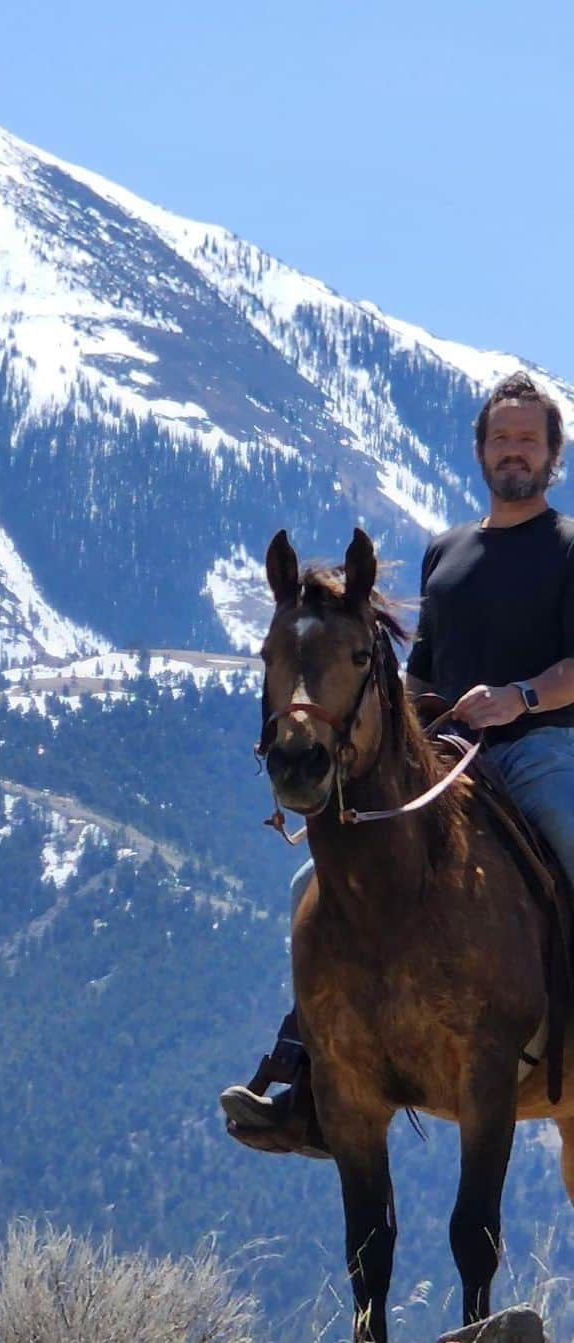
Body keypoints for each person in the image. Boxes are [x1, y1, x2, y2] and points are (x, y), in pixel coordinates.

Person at [221, 370, 574, 1157]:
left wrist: (519, 697)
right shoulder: (446, 552)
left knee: (572, 843)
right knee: (310, 886)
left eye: (529, 438)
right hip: (449, 757)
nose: (514, 450)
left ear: (553, 453)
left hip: (544, 747)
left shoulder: (568, 545)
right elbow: (416, 677)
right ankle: (314, 1081)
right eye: (501, 437)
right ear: (481, 449)